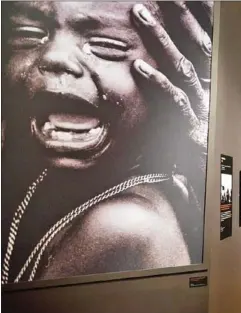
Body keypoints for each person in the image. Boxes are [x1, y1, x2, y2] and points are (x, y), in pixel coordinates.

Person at [1, 1, 213, 284]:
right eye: (27, 35)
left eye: (106, 46)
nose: (55, 57)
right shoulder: (44, 182)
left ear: (176, 77)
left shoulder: (126, 224)